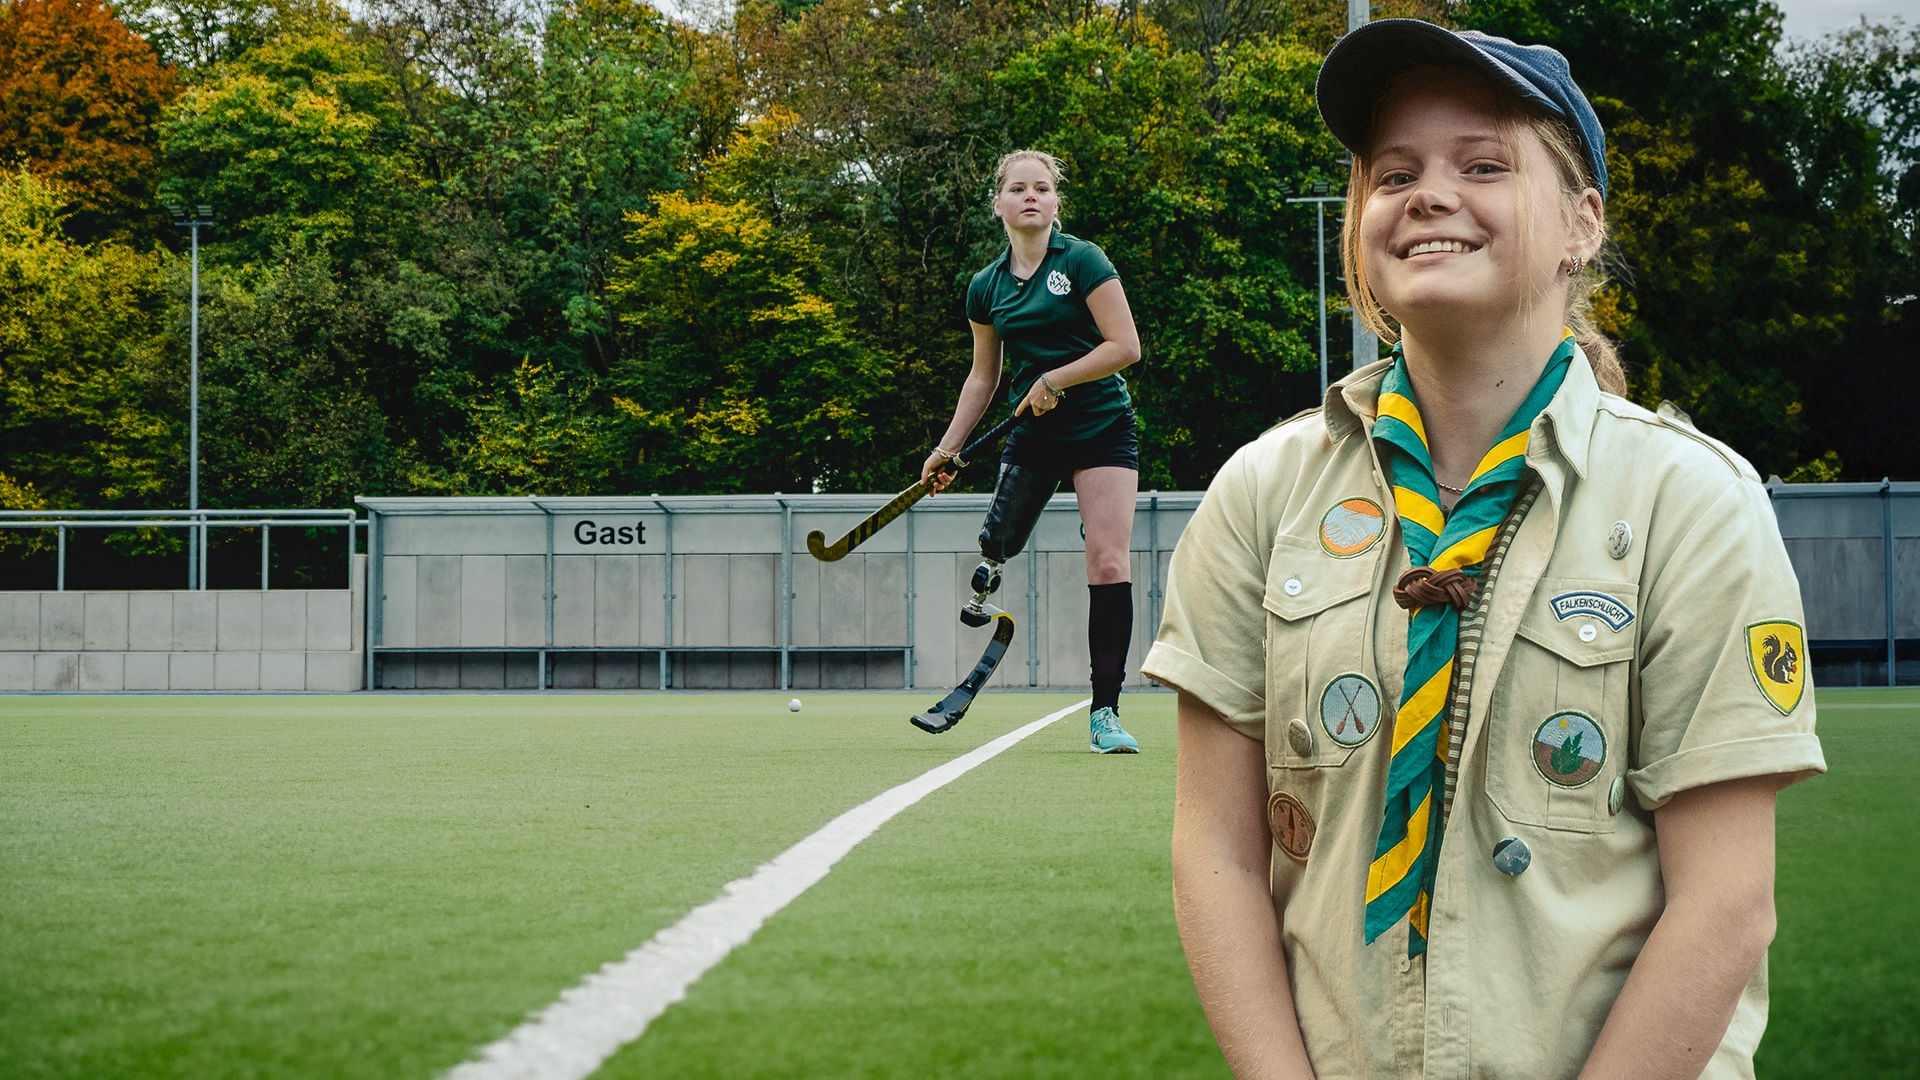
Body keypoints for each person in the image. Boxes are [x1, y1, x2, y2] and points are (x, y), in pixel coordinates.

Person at [1143, 19, 1826, 1078]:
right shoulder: (1260, 496)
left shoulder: (1693, 501)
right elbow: (1218, 854)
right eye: (1394, 172)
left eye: (1484, 165)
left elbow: (1727, 903)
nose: (1427, 193)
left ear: (1582, 225)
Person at [921, 149, 1145, 753]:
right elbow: (982, 378)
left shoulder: (1084, 261)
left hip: (1101, 424)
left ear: (1054, 203)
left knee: (1107, 563)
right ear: (999, 204)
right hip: (1033, 431)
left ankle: (1105, 713)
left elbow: (1125, 347)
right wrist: (947, 449)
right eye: (1017, 189)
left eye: (1042, 189)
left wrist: (1056, 379)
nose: (1030, 197)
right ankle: (991, 563)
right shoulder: (985, 287)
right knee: (999, 541)